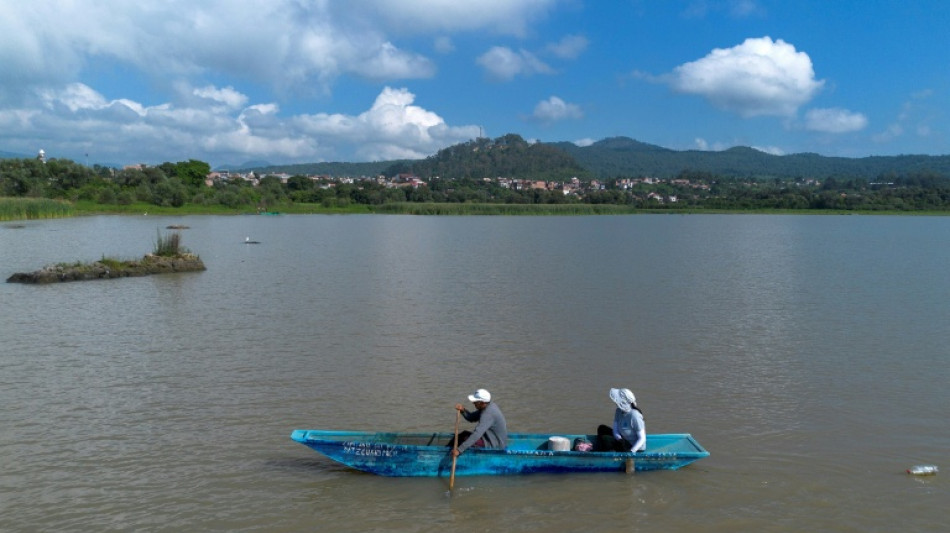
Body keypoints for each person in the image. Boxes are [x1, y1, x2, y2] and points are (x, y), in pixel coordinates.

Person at [451, 388, 508, 456]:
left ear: (482, 403)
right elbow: (471, 418)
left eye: (475, 402)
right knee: (464, 434)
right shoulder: (487, 406)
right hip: (490, 438)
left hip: (494, 445)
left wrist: (459, 450)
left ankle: (451, 454)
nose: (473, 403)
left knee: (465, 439)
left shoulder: (488, 413)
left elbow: (477, 433)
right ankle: (450, 450)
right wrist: (463, 410)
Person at [596, 387, 645, 453]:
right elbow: (615, 430)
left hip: (633, 447)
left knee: (605, 439)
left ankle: (610, 455)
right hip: (622, 440)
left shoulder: (635, 416)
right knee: (601, 428)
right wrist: (619, 439)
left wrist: (632, 452)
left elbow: (642, 438)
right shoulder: (618, 411)